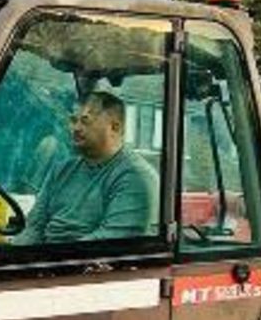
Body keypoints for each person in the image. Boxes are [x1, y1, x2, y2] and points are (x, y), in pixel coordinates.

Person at [12, 90, 158, 244]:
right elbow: (34, 227)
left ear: (115, 127)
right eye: (74, 120)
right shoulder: (61, 170)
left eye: (85, 121)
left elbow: (108, 243)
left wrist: (46, 259)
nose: (76, 128)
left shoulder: (136, 177)